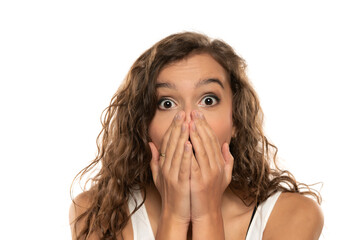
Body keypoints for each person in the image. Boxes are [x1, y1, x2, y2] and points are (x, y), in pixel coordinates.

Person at [69, 32, 324, 240]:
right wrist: (175, 214)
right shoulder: (96, 213)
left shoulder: (293, 215)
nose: (189, 120)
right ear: (143, 124)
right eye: (167, 103)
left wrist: (206, 212)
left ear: (235, 120)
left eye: (208, 100)